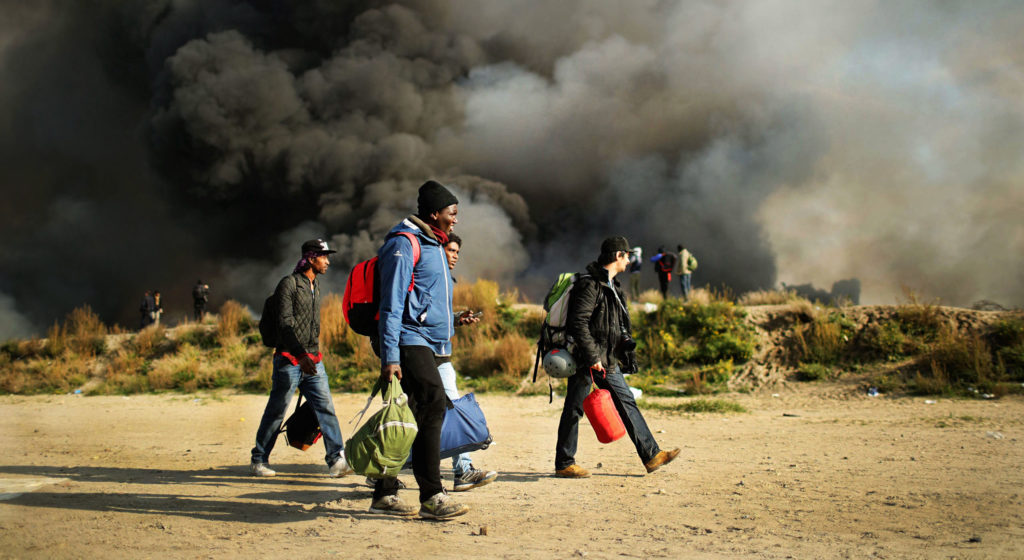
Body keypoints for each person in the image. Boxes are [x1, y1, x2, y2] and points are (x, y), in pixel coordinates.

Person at [372, 180, 476, 519]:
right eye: (452, 213)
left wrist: (455, 322)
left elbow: (428, 300)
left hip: (430, 343)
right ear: (434, 213)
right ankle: (432, 496)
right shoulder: (405, 244)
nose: (456, 220)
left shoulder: (434, 244)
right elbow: (392, 304)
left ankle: (384, 491)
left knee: (412, 415)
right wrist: (390, 356)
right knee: (433, 400)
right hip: (407, 338)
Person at [555, 236, 680, 478]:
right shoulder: (590, 285)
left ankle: (651, 454)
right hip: (588, 360)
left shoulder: (614, 286)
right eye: (627, 255)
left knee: (625, 402)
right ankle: (564, 463)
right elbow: (578, 323)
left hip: (607, 359)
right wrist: (592, 356)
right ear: (617, 256)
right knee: (574, 409)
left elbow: (614, 325)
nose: (630, 259)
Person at [249, 238, 351, 479]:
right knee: (276, 410)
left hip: (313, 360)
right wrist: (300, 354)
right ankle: (259, 459)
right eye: (324, 256)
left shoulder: (317, 286)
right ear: (312, 258)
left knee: (325, 408)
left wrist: (310, 355)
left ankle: (336, 459)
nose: (328, 261)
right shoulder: (289, 284)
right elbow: (285, 325)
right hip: (289, 361)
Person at [439, 232, 498, 491]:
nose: (455, 256)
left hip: (439, 356)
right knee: (445, 410)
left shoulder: (445, 280)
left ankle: (462, 469)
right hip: (425, 357)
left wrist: (456, 319)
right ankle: (383, 471)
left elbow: (435, 317)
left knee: (443, 411)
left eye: (457, 252)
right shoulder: (425, 277)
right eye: (450, 250)